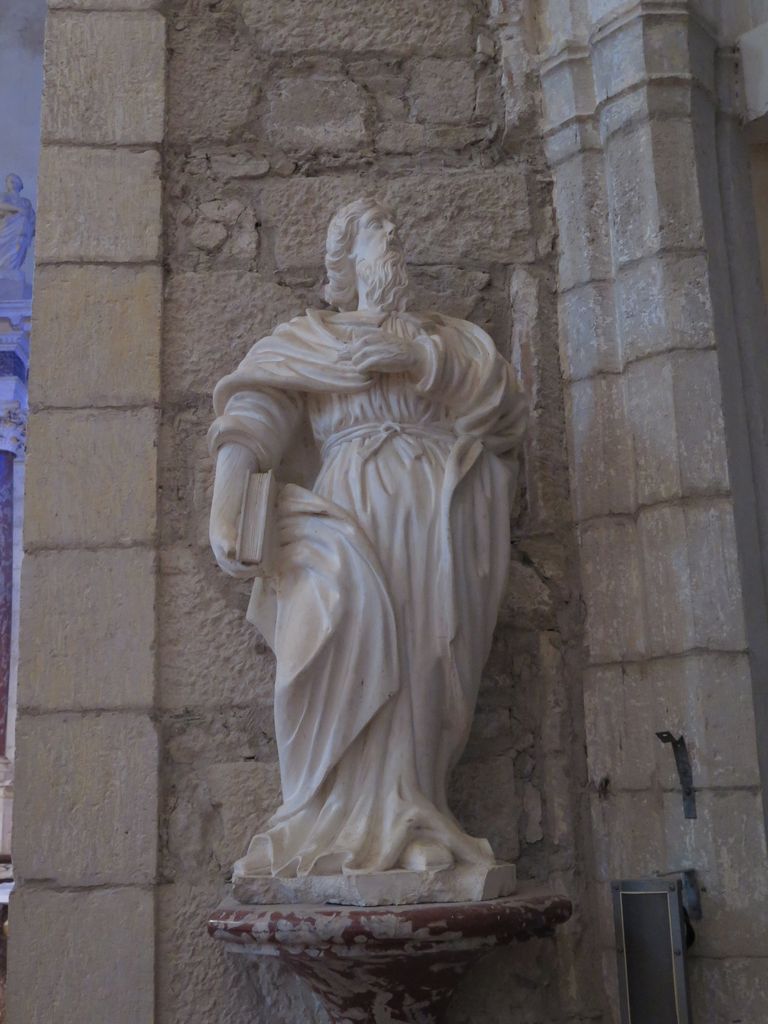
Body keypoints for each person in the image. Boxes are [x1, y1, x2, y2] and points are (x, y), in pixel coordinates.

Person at [208, 198, 527, 886]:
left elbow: (501, 408)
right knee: (338, 642)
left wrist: (418, 359)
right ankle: (331, 820)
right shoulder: (311, 338)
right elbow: (258, 409)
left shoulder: (449, 338)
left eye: (394, 232)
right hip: (351, 509)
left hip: (432, 515)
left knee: (421, 661)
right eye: (377, 233)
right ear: (343, 263)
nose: (393, 243)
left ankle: (413, 815)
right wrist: (228, 495)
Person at [0, 175, 35, 272]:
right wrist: (18, 209)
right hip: (7, 229)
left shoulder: (25, 202)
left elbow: (32, 218)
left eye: (15, 180)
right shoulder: (4, 196)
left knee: (18, 248)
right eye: (9, 181)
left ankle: (12, 269)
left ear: (20, 184)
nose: (12, 182)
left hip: (22, 233)